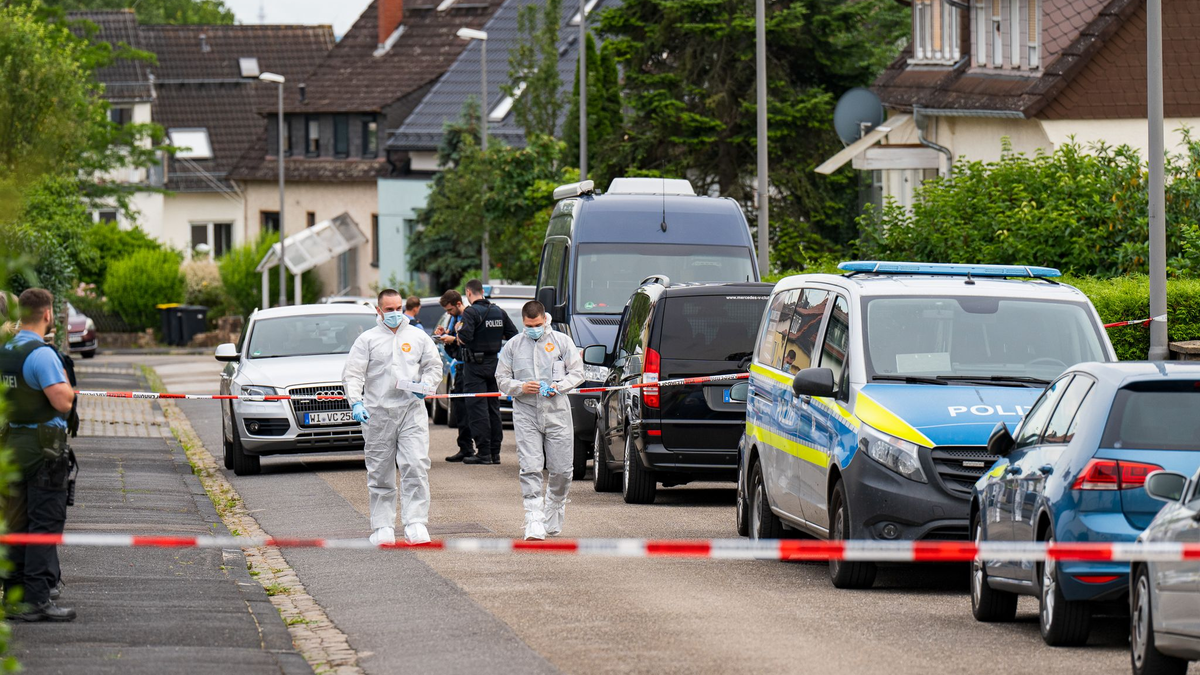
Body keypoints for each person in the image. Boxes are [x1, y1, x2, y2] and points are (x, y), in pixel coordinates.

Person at [342, 289, 442, 545]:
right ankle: (383, 526)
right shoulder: (367, 340)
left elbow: (434, 365)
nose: (395, 313)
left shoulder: (417, 336)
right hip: (377, 414)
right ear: (379, 310)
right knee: (380, 471)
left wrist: (427, 385)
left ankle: (416, 523)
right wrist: (356, 402)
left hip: (411, 411)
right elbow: (353, 374)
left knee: (416, 465)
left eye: (398, 308)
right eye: (389, 309)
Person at [0, 289, 76, 621]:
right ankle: (36, 600)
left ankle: (13, 597)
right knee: (44, 522)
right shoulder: (41, 354)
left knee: (16, 522)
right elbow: (63, 401)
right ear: (47, 314)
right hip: (42, 447)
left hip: (11, 443)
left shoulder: (6, 350)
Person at [496, 301, 584, 539]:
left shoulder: (561, 341)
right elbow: (501, 378)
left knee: (562, 469)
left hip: (557, 412)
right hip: (526, 412)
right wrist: (521, 387)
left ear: (545, 319)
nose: (533, 329)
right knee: (530, 466)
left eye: (537, 325)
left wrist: (559, 386)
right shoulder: (514, 345)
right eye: (528, 326)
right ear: (523, 323)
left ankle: (554, 504)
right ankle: (533, 517)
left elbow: (578, 372)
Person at [454, 280, 517, 465]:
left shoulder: (470, 312)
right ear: (482, 291)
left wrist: (457, 332)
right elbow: (513, 334)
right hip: (493, 364)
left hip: (474, 367)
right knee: (493, 409)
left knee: (477, 409)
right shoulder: (498, 311)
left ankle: (483, 453)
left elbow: (464, 337)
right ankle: (495, 453)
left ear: (468, 292)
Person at [436, 290, 474, 462]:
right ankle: (465, 448)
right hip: (458, 365)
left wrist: (452, 340)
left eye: (450, 309)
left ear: (459, 304)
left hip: (469, 368)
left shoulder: (468, 317)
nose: (449, 313)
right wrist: (444, 334)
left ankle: (475, 449)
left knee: (469, 410)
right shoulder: (454, 318)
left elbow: (469, 341)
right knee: (460, 409)